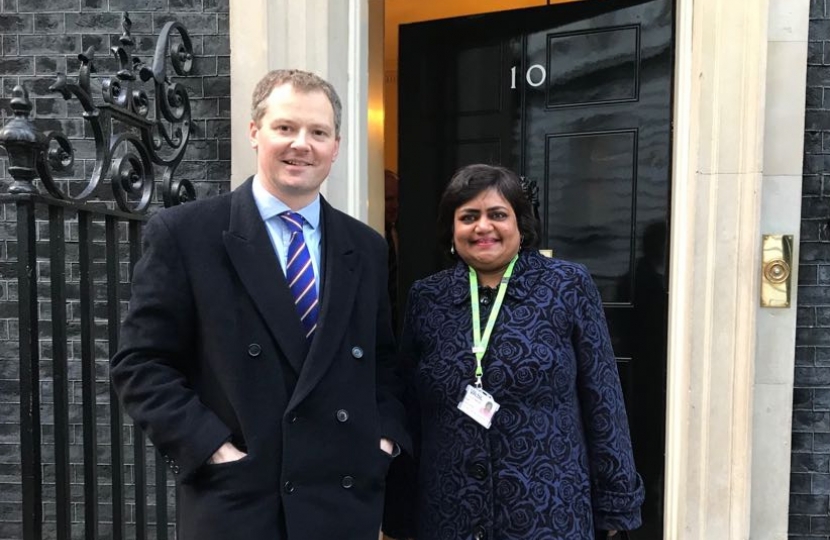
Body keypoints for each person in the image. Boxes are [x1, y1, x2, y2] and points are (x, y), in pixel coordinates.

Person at [111, 69, 409, 540]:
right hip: (241, 502)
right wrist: (210, 447)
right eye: (285, 128)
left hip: (342, 503)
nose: (301, 144)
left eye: (318, 132)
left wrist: (384, 441)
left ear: (336, 146)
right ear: (255, 132)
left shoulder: (367, 247)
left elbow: (383, 362)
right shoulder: (187, 234)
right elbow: (141, 365)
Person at [384, 164, 644, 540]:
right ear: (451, 231)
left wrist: (616, 505)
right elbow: (409, 405)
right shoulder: (428, 297)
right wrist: (400, 509)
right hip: (449, 512)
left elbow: (603, 398)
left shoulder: (567, 286)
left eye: (498, 215)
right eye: (468, 216)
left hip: (548, 511)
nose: (483, 227)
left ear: (521, 225)